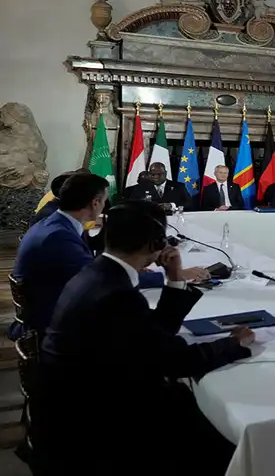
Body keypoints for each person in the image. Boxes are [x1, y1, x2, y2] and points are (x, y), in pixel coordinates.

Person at [33, 200, 255, 475]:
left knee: (187, 404)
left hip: (71, 407)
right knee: (217, 439)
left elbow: (151, 337)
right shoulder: (117, 295)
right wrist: (233, 344)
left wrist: (174, 279)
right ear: (156, 244)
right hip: (92, 429)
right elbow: (175, 362)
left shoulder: (97, 273)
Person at [9, 174, 171, 342]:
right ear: (94, 203)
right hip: (53, 323)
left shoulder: (58, 223)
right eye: (103, 201)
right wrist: (166, 277)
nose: (104, 206)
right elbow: (102, 282)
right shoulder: (58, 237)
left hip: (49, 303)